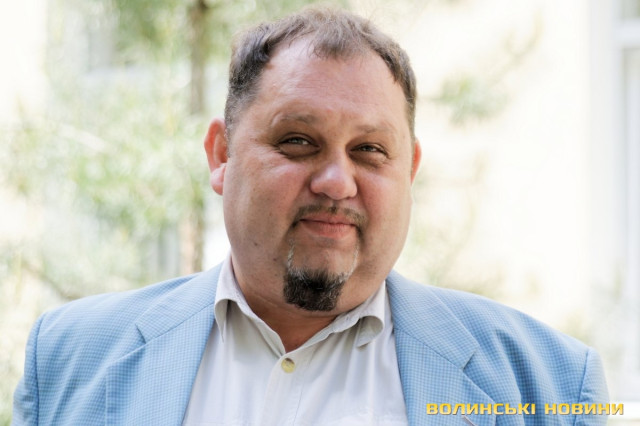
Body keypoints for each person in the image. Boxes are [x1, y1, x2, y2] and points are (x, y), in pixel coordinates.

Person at [13, 7, 608, 426]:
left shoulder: (550, 388)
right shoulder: (69, 360)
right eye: (298, 141)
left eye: (369, 150)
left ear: (409, 171)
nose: (336, 182)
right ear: (221, 155)